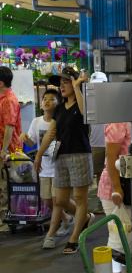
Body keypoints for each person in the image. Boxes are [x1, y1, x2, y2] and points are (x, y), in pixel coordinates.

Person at [35, 67, 94, 253]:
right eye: (60, 84)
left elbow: (85, 114)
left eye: (65, 82)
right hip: (60, 157)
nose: (61, 86)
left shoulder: (83, 104)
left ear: (75, 83)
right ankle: (83, 217)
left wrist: (77, 87)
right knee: (59, 199)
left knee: (79, 197)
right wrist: (38, 155)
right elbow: (49, 135)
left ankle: (75, 238)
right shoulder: (59, 109)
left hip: (80, 155)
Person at [20, 88, 75, 236]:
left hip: (58, 166)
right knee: (47, 200)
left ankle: (54, 230)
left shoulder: (61, 121)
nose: (46, 101)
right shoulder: (36, 121)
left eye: (51, 99)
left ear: (58, 103)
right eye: (45, 99)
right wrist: (26, 137)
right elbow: (32, 144)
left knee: (58, 200)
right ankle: (67, 218)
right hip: (43, 168)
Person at [98, 120, 132, 273]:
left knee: (127, 237)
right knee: (119, 237)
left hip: (129, 186)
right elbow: (111, 155)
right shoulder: (118, 121)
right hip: (115, 188)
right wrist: (116, 187)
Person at [0, 65, 22, 219]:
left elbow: (9, 128)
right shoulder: (3, 99)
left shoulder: (9, 100)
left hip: (8, 150)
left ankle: (7, 218)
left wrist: (4, 150)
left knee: (6, 185)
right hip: (4, 149)